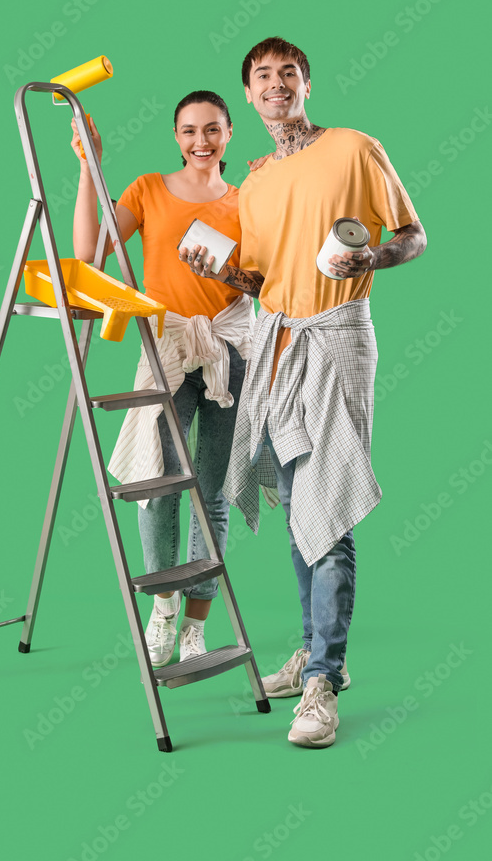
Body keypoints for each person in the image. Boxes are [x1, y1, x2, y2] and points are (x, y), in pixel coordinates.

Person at [181, 36, 426, 747]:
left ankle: (322, 679)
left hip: (338, 335)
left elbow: (411, 235)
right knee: (295, 502)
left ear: (307, 84)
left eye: (288, 73)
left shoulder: (352, 147)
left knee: (328, 501)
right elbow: (263, 280)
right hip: (278, 340)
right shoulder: (254, 184)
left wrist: (370, 256)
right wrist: (223, 274)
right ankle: (318, 652)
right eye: (261, 78)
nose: (275, 85)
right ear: (250, 99)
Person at [71, 91, 255, 667]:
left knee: (213, 489)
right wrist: (87, 167)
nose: (200, 141)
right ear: (176, 137)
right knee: (159, 484)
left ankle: (197, 624)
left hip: (231, 347)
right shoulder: (149, 189)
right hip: (168, 347)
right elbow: (89, 254)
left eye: (212, 130)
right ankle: (163, 609)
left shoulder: (249, 201)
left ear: (229, 132)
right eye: (188, 131)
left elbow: (265, 281)